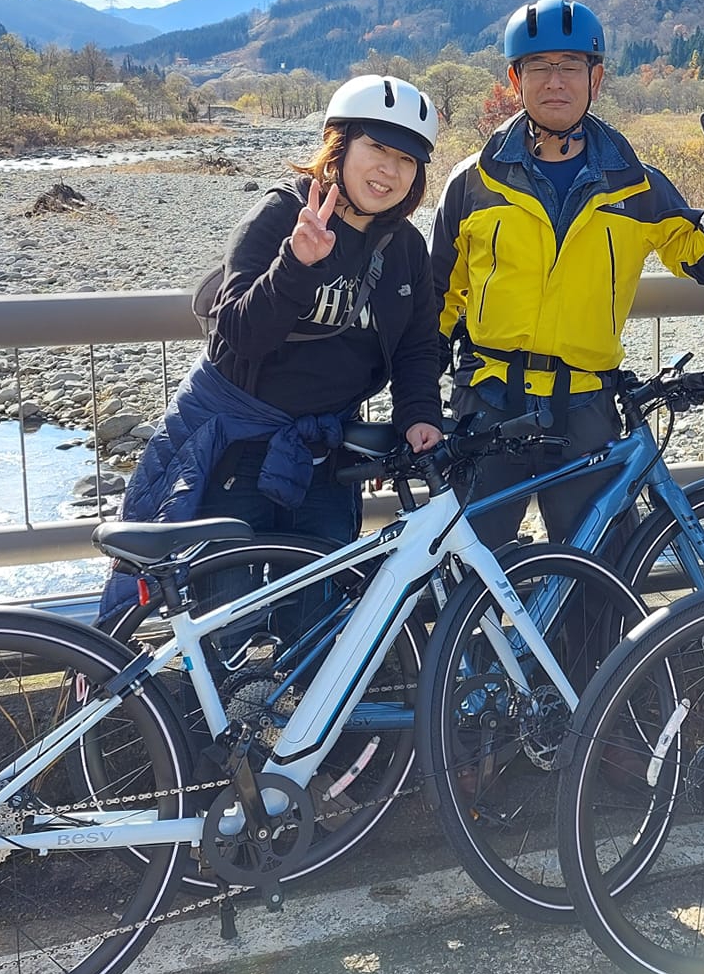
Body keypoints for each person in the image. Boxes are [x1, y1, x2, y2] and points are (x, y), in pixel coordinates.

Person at [98, 75, 445, 618]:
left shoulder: (404, 248)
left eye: (406, 159)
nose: (389, 169)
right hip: (236, 444)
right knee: (221, 613)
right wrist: (296, 265)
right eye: (376, 147)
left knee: (318, 613)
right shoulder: (282, 216)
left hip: (326, 454)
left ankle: (298, 704)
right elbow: (238, 333)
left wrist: (418, 414)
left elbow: (418, 346)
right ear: (341, 144)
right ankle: (221, 706)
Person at [429, 0, 704, 548]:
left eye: (571, 66)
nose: (555, 81)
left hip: (585, 409)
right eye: (539, 66)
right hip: (487, 403)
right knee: (469, 575)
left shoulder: (636, 184)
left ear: (595, 78)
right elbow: (439, 297)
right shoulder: (472, 182)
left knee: (594, 585)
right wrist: (418, 401)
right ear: (515, 78)